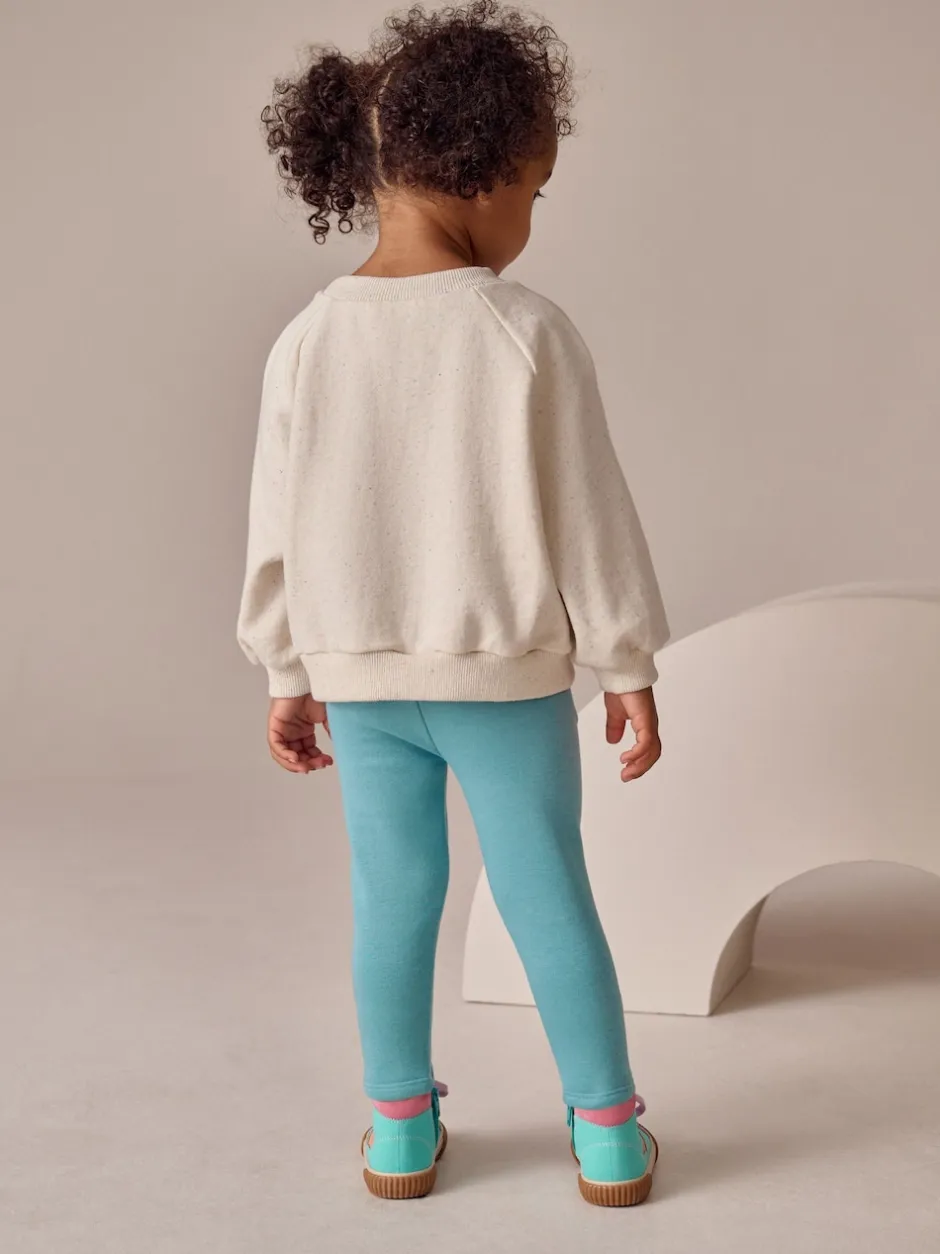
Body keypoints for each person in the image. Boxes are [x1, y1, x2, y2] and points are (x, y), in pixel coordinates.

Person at [237, 0, 669, 1207]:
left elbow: (274, 531)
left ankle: (398, 1130)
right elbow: (588, 511)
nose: (530, 214)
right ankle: (608, 1134)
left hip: (363, 685)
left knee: (391, 904)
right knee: (545, 894)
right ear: (479, 175)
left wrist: (285, 671)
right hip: (507, 682)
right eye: (534, 187)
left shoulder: (307, 341)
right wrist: (626, 661)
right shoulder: (524, 332)